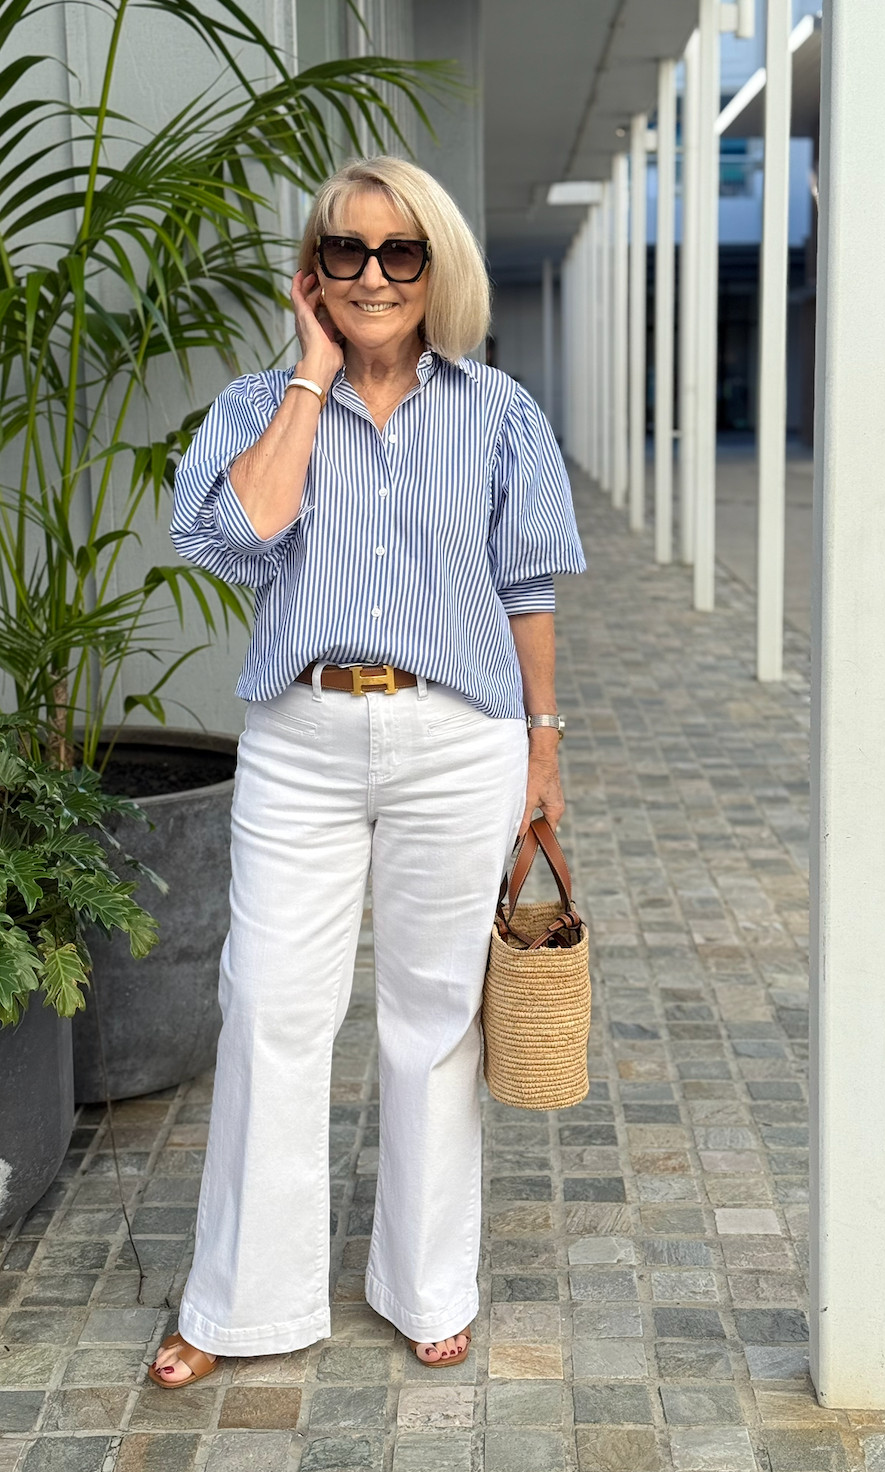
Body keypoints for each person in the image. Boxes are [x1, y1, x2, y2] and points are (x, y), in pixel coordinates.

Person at [149, 155, 584, 1387]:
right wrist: (310, 373)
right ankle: (238, 1301)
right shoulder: (254, 406)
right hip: (303, 735)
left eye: (402, 253)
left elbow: (526, 586)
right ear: (314, 269)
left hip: (460, 736)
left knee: (432, 1019)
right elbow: (241, 532)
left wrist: (546, 746)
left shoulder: (499, 413)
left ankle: (426, 1282)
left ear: (433, 266)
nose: (375, 274)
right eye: (347, 251)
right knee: (270, 1005)